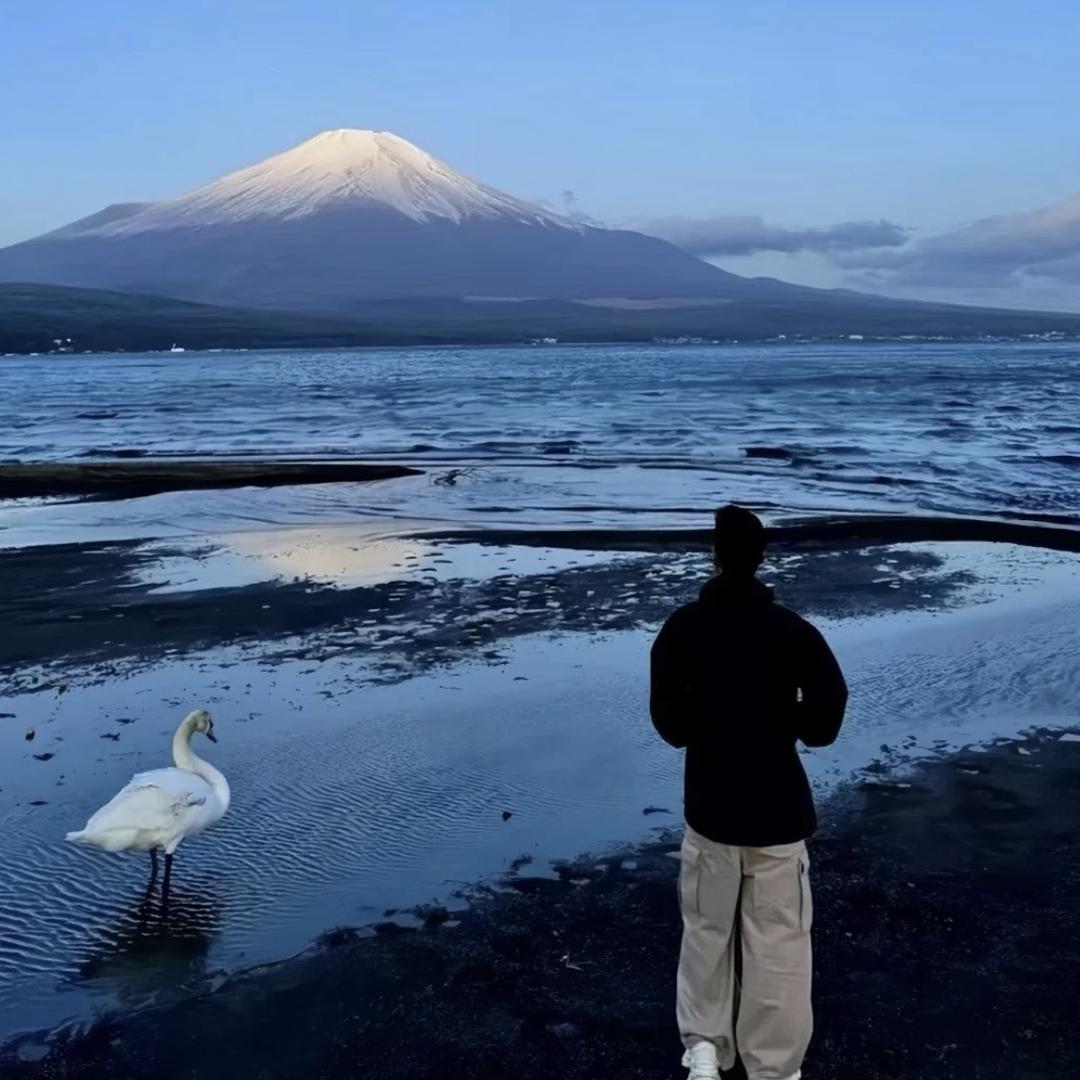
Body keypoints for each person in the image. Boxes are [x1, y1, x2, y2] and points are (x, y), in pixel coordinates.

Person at [650, 505, 848, 1080]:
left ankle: (705, 1050)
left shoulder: (683, 627)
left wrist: (705, 722)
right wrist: (791, 719)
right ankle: (775, 1067)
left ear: (715, 556)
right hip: (779, 807)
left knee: (708, 928)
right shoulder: (793, 631)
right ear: (761, 560)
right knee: (779, 940)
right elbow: (827, 715)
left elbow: (669, 723)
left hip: (711, 801)